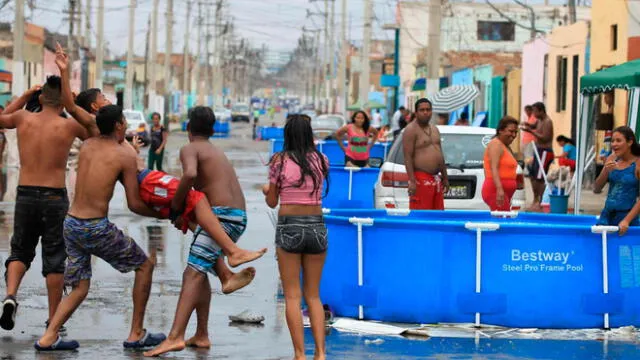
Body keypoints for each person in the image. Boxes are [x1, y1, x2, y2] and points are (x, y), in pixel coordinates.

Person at [35, 105, 166, 351]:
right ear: (118, 125)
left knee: (80, 287)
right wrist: (166, 214)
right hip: (94, 227)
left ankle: (48, 337)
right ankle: (136, 333)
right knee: (145, 265)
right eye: (124, 121)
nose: (127, 124)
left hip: (71, 224)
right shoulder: (123, 155)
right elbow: (135, 204)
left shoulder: (88, 145)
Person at [144, 106, 257, 357]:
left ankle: (174, 337)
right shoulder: (216, 151)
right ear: (214, 130)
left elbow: (190, 174)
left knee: (191, 274)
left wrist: (174, 206)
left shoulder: (190, 148)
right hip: (236, 216)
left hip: (223, 217)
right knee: (201, 268)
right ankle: (202, 334)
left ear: (188, 128)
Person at [0, 63, 100, 334]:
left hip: (26, 194)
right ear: (63, 100)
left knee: (20, 250)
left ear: (41, 97)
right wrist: (74, 102)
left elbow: (1, 118)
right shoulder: (69, 126)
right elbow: (93, 130)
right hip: (55, 197)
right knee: (55, 257)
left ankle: (10, 295)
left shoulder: (22, 119)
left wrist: (24, 96)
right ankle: (53, 319)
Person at [131, 138, 266, 282]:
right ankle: (232, 251)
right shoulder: (117, 144)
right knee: (197, 198)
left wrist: (133, 150)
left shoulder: (119, 142)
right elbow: (134, 202)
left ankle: (225, 275)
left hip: (148, 181)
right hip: (148, 181)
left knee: (195, 219)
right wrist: (174, 211)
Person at [263, 114, 329, 360]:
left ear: (287, 135)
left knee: (292, 295)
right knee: (313, 295)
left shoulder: (279, 161)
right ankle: (321, 353)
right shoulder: (322, 160)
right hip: (316, 225)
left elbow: (272, 201)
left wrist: (266, 189)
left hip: (289, 226)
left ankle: (300, 354)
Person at [403, 98, 449, 210]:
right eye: (422, 110)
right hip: (420, 178)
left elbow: (440, 153)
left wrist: (445, 177)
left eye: (428, 110)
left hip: (436, 179)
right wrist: (412, 181)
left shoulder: (435, 129)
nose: (425, 112)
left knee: (438, 216)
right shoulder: (411, 130)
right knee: (421, 216)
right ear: (416, 112)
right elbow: (407, 156)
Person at [594, 126, 640, 236]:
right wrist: (605, 169)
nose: (614, 144)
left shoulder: (638, 164)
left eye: (618, 141)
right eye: (613, 141)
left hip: (626, 219)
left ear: (630, 142)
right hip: (606, 217)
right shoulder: (612, 159)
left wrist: (626, 220)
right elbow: (596, 188)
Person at [522, 102, 554, 212]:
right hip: (538, 150)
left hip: (545, 151)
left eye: (535, 111)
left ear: (541, 110)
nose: (534, 114)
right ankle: (535, 199)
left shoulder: (547, 122)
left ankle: (539, 202)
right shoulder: (539, 120)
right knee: (532, 175)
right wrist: (527, 125)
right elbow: (534, 126)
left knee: (540, 178)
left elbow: (545, 137)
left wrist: (531, 132)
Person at [482, 117, 519, 211]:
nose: (513, 135)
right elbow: (494, 168)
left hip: (503, 191)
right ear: (500, 130)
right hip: (495, 190)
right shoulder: (496, 144)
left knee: (503, 219)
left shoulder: (506, 147)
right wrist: (499, 189)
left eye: (516, 132)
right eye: (510, 131)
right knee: (503, 220)